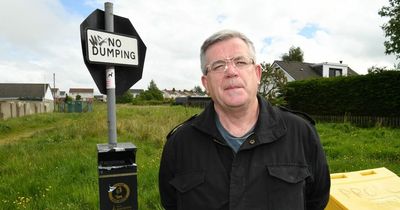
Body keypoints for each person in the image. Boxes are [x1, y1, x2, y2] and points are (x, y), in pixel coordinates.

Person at [159, 29, 330, 210]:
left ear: (257, 74)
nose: (231, 72)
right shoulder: (180, 144)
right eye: (218, 66)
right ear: (206, 83)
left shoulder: (300, 133)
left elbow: (316, 201)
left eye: (240, 62)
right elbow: (171, 203)